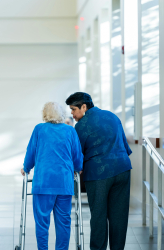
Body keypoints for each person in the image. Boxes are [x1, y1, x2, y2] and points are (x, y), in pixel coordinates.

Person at [66, 92, 132, 250]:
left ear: (84, 106)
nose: (72, 114)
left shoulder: (81, 126)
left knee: (98, 216)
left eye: (74, 109)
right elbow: (126, 147)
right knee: (119, 216)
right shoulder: (112, 117)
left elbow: (77, 155)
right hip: (123, 170)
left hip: (98, 174)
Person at [21, 102, 83, 250]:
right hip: (64, 183)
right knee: (63, 222)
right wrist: (77, 168)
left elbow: (31, 152)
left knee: (42, 222)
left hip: (43, 183)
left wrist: (26, 167)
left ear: (45, 114)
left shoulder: (39, 129)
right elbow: (77, 155)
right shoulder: (70, 131)